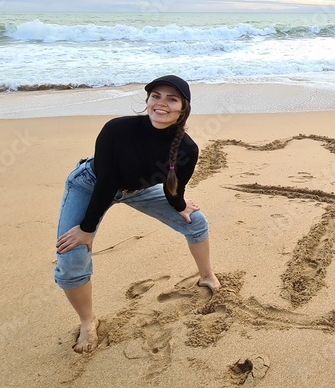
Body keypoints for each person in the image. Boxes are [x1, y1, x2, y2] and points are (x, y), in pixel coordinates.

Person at [53, 74, 220, 353]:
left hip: (138, 190)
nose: (162, 104)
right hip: (91, 185)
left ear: (183, 108)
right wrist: (88, 229)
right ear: (147, 100)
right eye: (156, 96)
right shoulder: (117, 129)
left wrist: (180, 206)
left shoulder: (187, 149)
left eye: (172, 99)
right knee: (71, 258)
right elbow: (107, 182)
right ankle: (87, 322)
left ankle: (207, 276)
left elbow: (173, 187)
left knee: (196, 222)